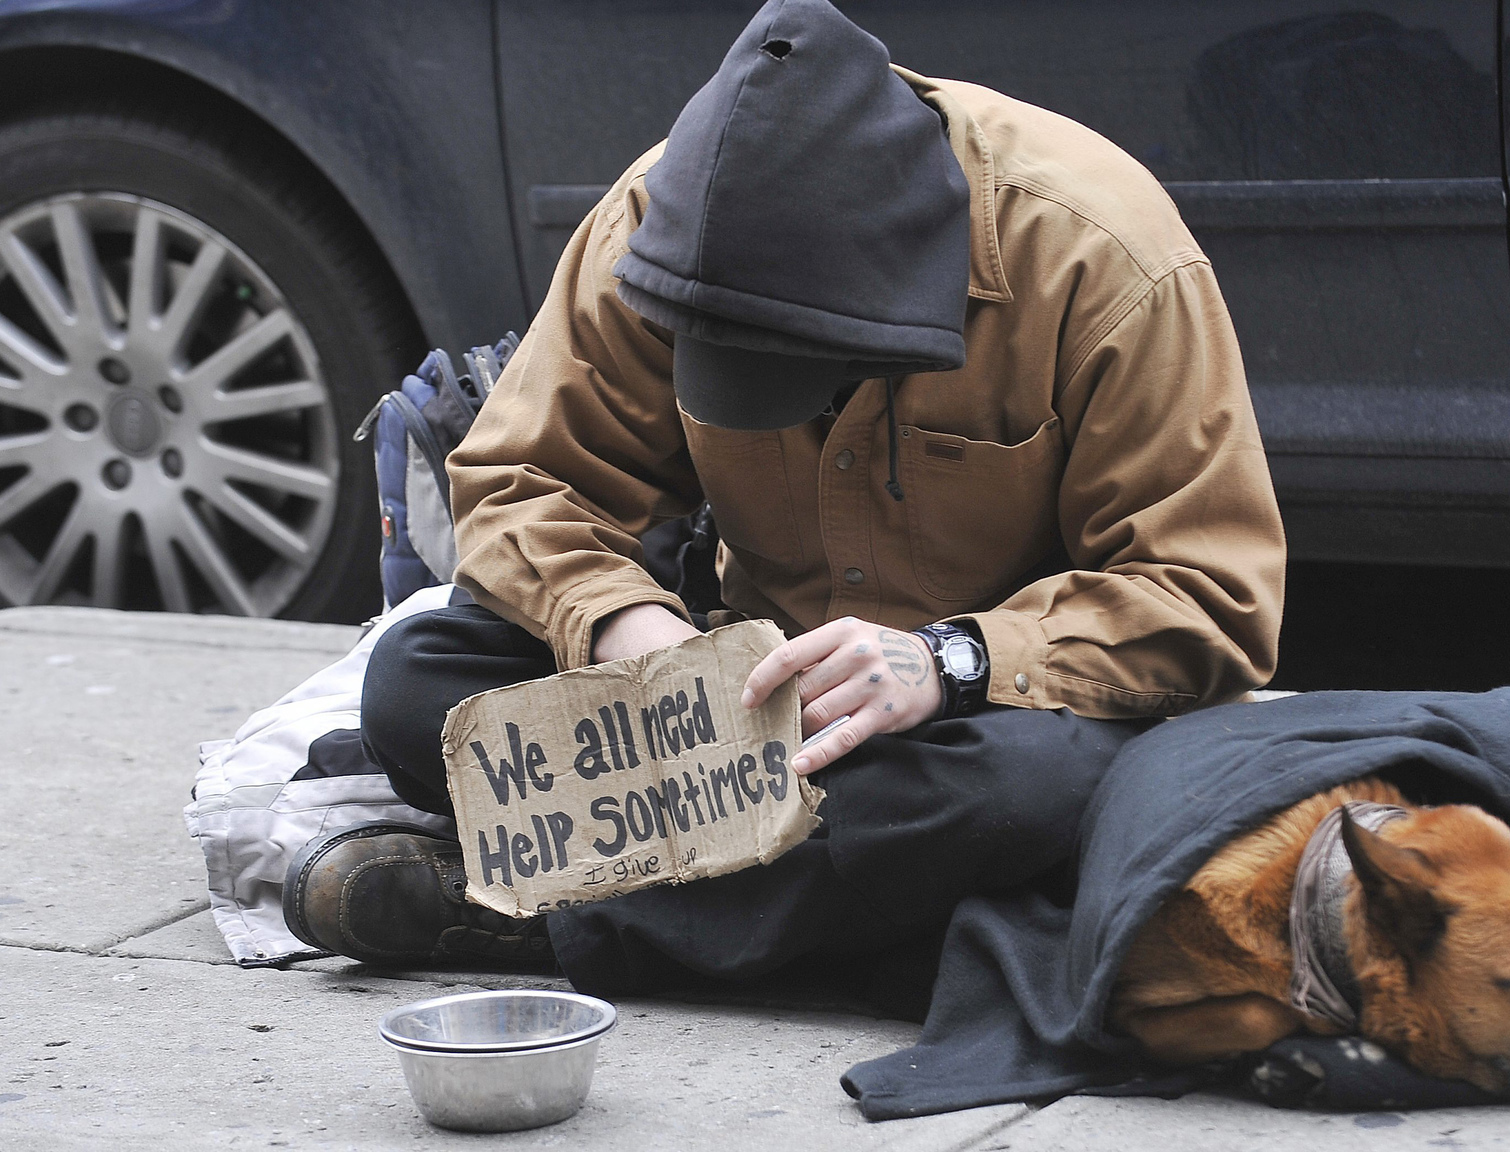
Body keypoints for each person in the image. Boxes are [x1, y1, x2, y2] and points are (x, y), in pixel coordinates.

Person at [282, 0, 1286, 998]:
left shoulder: (1096, 254)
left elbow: (1208, 597)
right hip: (757, 709)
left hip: (985, 723)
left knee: (1027, 801)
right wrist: (634, 639)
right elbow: (518, 483)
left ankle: (539, 921)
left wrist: (950, 661)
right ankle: (824, 900)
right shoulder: (653, 223)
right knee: (416, 685)